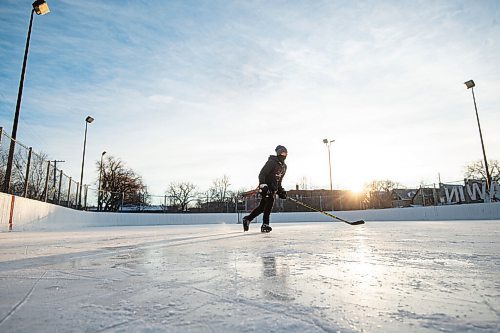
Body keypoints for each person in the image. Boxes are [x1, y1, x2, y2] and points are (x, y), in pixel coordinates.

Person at [243, 145, 288, 233]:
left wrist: (281, 191)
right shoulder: (271, 162)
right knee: (270, 201)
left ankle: (247, 219)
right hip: (265, 188)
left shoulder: (284, 167)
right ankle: (265, 225)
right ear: (278, 153)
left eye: (286, 153)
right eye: (282, 153)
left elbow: (279, 181)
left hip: (273, 189)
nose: (284, 155)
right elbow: (262, 174)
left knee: (262, 207)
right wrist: (263, 185)